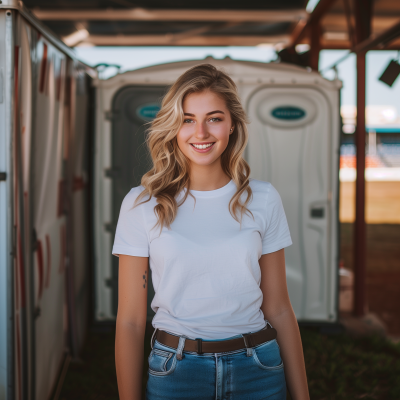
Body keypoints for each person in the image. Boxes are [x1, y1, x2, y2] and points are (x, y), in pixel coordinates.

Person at [112, 63, 310, 400]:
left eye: (214, 118)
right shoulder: (141, 204)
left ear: (232, 124)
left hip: (258, 369)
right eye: (188, 119)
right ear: (173, 127)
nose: (200, 132)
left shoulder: (262, 198)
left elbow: (278, 307)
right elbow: (130, 320)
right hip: (176, 371)